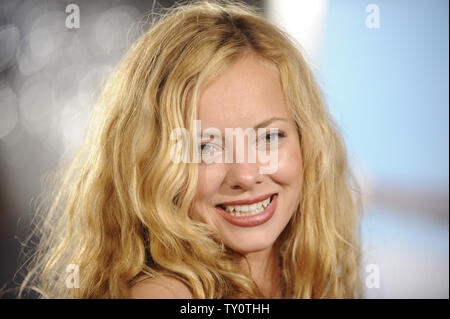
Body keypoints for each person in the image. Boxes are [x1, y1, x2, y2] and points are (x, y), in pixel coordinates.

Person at [19, 1, 362, 298]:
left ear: (307, 141)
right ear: (153, 163)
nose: (245, 174)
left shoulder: (314, 274)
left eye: (269, 138)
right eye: (205, 147)